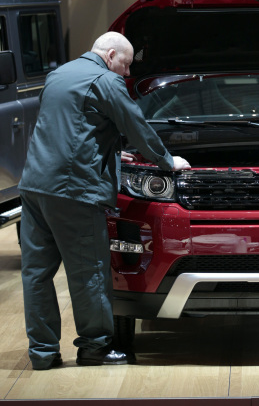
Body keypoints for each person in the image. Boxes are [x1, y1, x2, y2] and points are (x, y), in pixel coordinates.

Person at [18, 32, 191, 370]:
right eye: (125, 66)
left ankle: (42, 353)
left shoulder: (58, 75)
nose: (126, 74)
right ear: (111, 55)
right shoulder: (105, 80)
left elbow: (69, 127)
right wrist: (167, 161)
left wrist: (109, 148)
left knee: (36, 273)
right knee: (90, 272)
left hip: (35, 185)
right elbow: (135, 124)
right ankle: (95, 348)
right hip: (74, 191)